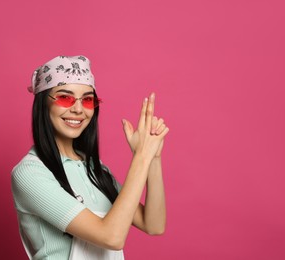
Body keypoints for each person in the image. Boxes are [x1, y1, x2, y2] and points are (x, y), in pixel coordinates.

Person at [11, 55, 169, 259]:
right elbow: (111, 237)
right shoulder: (30, 173)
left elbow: (153, 225)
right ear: (43, 104)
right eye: (65, 97)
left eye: (87, 100)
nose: (78, 109)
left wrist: (153, 157)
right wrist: (141, 156)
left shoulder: (96, 169)